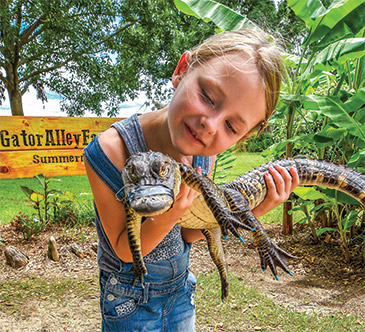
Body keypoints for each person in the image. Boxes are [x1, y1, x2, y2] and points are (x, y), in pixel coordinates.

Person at [84, 28, 299, 331]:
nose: (209, 125)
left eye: (231, 126)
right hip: (128, 300)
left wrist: (250, 214)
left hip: (181, 291)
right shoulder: (109, 151)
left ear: (246, 136)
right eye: (208, 97)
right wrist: (172, 214)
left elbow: (186, 233)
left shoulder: (202, 154)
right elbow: (123, 250)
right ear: (182, 70)